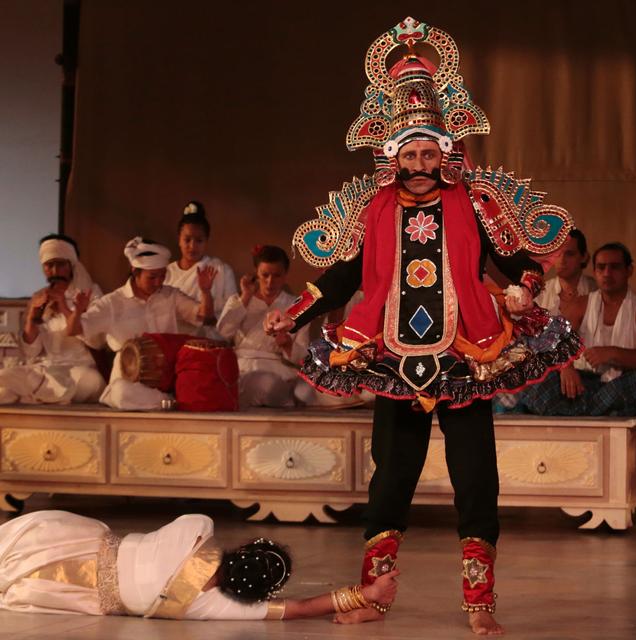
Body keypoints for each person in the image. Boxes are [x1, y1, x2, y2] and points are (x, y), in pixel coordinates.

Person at [264, 17, 579, 635]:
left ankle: (481, 606)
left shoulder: (473, 201)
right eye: (408, 153)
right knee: (391, 480)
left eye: (428, 153)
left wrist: (526, 286)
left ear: (445, 153)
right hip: (390, 355)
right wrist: (294, 312)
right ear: (393, 156)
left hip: (468, 353)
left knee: (476, 479)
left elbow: (512, 257)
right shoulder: (375, 208)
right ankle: (372, 597)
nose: (418, 164)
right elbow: (343, 275)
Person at [0, 510, 397, 621]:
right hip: (78, 592)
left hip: (70, 540)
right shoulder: (214, 607)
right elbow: (300, 609)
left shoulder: (197, 529)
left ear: (243, 548)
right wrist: (367, 593)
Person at [67, 237, 215, 410]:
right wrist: (77, 312)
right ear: (135, 271)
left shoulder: (170, 295)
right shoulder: (112, 302)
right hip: (129, 376)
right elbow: (73, 330)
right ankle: (171, 401)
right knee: (121, 393)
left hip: (167, 373)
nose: (159, 282)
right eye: (152, 277)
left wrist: (205, 292)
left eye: (162, 276)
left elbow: (205, 316)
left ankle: (170, 399)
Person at [521, 242, 636, 415]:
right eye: (601, 267)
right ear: (594, 272)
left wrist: (612, 353)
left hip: (622, 384)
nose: (607, 273)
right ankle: (602, 411)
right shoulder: (582, 304)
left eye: (615, 267)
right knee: (534, 379)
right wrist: (566, 367)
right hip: (584, 384)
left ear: (629, 271)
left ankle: (585, 411)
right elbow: (549, 339)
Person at [0, 234, 105, 405]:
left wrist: (64, 307)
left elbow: (97, 341)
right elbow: (31, 352)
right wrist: (32, 318)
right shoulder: (39, 297)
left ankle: (29, 396)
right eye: (49, 265)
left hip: (79, 370)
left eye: (60, 264)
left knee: (93, 383)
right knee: (6, 376)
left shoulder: (91, 294)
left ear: (72, 265)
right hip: (46, 369)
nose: (55, 271)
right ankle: (36, 394)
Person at [217, 245, 310, 408]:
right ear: (256, 273)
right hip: (242, 369)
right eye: (265, 275)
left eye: (277, 275)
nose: (270, 282)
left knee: (272, 386)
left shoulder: (297, 306)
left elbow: (304, 356)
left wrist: (288, 345)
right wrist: (245, 297)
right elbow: (223, 333)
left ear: (285, 275)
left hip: (278, 371)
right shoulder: (239, 300)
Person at [165, 201, 238, 339]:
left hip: (212, 342)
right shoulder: (167, 273)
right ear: (179, 240)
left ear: (206, 241)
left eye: (199, 240)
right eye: (187, 240)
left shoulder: (221, 270)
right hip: (175, 341)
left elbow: (232, 314)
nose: (192, 246)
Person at [535, 228, 596, 326]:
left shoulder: (595, 291)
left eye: (569, 254)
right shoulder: (541, 294)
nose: (562, 260)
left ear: (584, 256)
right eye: (557, 254)